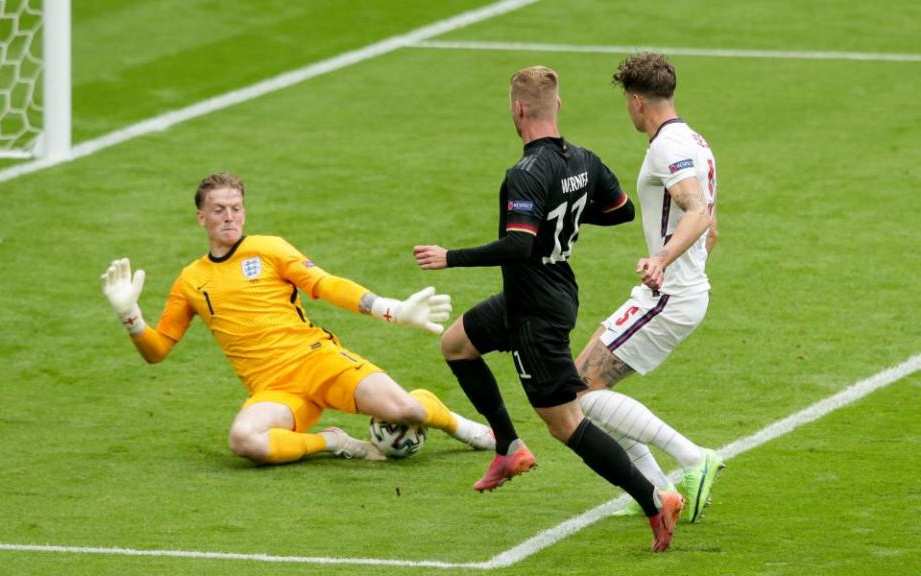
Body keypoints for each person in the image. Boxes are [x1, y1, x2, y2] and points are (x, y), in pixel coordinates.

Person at [414, 66, 683, 552]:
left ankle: (653, 498)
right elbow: (621, 209)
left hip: (535, 310)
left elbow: (518, 246)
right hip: (547, 291)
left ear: (518, 109)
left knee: (565, 423)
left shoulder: (525, 172)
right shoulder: (583, 159)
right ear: (556, 106)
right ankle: (508, 447)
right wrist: (573, 209)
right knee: (456, 345)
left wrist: (449, 257)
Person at [100, 171, 494, 465]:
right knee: (244, 441)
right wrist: (130, 315)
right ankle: (335, 442)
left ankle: (459, 426)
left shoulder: (268, 249)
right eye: (218, 210)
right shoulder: (191, 280)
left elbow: (325, 284)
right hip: (273, 389)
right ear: (201, 217)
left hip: (317, 359)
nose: (229, 217)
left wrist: (390, 309)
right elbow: (158, 350)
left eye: (236, 208)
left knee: (407, 411)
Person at [574, 52, 724, 523]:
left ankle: (691, 459)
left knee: (577, 390)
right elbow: (711, 228)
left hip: (670, 297)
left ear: (637, 102)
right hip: (677, 292)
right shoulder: (696, 141)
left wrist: (663, 261)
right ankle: (659, 494)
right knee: (587, 385)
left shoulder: (668, 146)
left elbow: (697, 212)